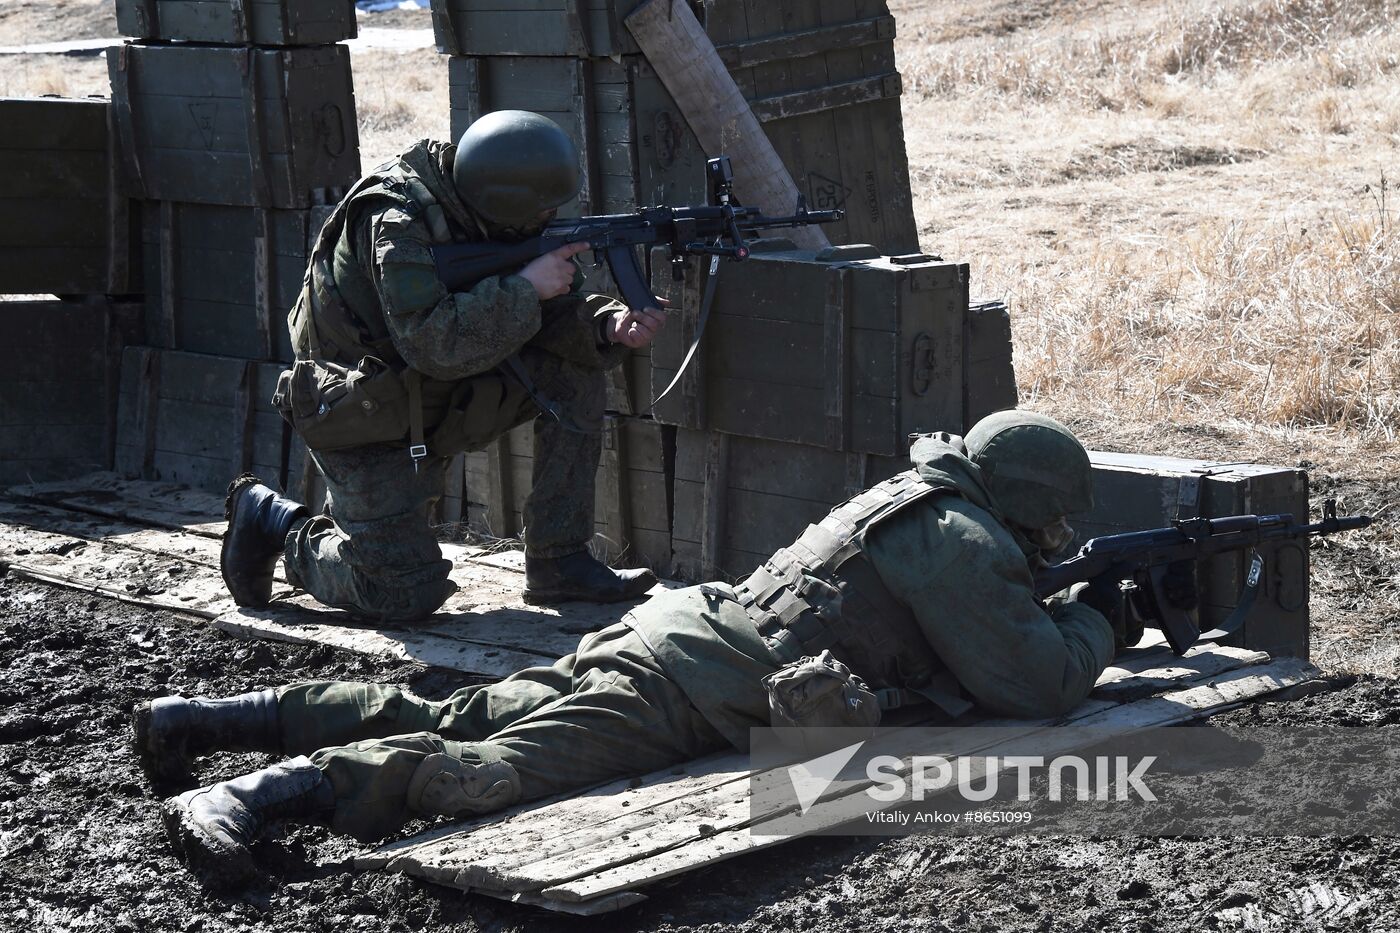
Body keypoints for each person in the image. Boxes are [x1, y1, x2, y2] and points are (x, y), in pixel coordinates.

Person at [139, 411, 1129, 887]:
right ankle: (240, 798)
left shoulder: (924, 498)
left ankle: (199, 721)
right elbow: (1033, 684)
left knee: (462, 714)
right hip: (689, 689)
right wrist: (1103, 622)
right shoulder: (957, 539)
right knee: (490, 772)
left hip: (678, 637)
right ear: (1035, 504)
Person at [222, 110, 666, 620]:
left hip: (434, 390)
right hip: (364, 410)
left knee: (574, 369)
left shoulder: (490, 206)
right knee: (401, 592)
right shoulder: (395, 222)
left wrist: (605, 324)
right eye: (535, 216)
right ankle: (279, 525)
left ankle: (558, 560)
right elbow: (433, 342)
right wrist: (526, 287)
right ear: (499, 204)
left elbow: (545, 312)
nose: (545, 221)